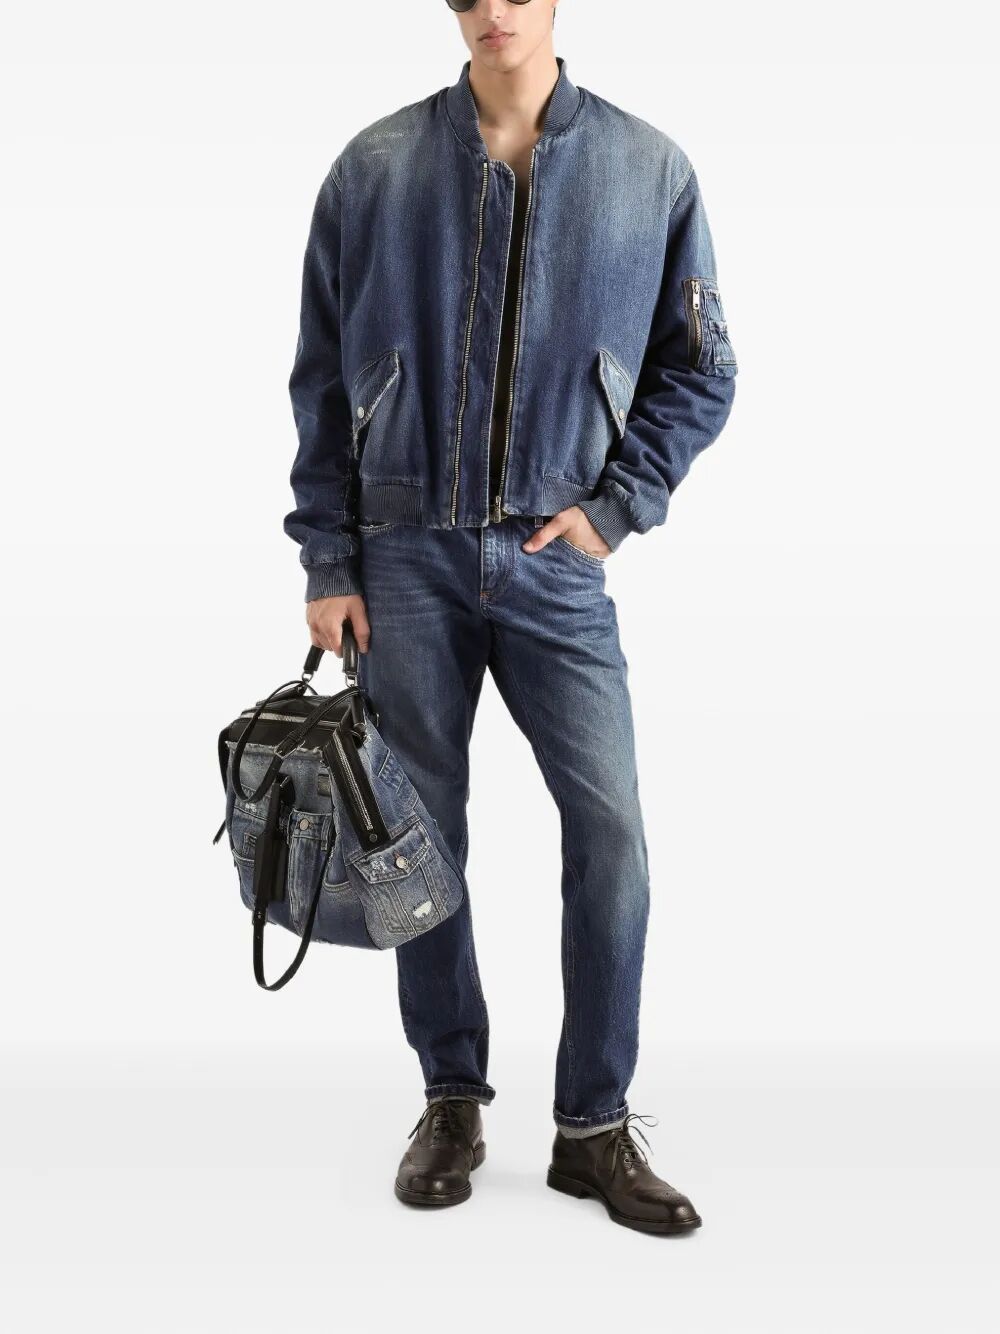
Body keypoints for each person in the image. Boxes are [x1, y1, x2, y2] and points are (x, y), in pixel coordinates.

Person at [284, 0, 737, 1235]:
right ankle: (451, 1097)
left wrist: (616, 505)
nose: (491, 9)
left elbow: (702, 366)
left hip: (555, 562)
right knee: (416, 843)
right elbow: (320, 376)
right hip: (402, 561)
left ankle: (593, 1124)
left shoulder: (648, 168)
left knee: (612, 833)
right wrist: (330, 555)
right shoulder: (375, 164)